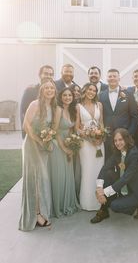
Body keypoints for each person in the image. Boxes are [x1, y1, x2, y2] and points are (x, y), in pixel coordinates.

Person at [19, 79, 61, 231]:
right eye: (46, 88)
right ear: (42, 91)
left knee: (42, 179)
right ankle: (36, 214)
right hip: (32, 145)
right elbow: (26, 125)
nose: (49, 90)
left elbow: (52, 129)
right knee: (35, 179)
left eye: (52, 88)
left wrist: (47, 140)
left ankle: (41, 210)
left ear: (55, 91)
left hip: (43, 147)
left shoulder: (53, 107)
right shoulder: (35, 104)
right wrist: (38, 140)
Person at [90, 128, 138, 224]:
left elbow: (125, 178)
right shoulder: (118, 152)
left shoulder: (134, 154)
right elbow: (105, 168)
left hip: (136, 191)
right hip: (125, 185)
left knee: (115, 206)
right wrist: (99, 188)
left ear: (126, 139)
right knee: (108, 173)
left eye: (120, 139)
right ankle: (104, 211)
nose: (117, 143)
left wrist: (104, 192)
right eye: (115, 140)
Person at [49, 87, 79, 217]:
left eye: (70, 95)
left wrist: (72, 143)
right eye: (65, 95)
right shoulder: (59, 110)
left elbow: (71, 129)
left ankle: (68, 203)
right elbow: (55, 131)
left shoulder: (72, 111)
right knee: (59, 176)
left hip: (68, 144)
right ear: (61, 97)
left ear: (73, 98)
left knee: (68, 175)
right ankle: (59, 206)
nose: (67, 97)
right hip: (58, 145)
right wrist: (64, 148)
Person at [75, 83, 105, 210]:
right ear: (84, 90)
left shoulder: (99, 105)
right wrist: (89, 138)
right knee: (88, 171)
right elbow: (77, 127)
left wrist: (101, 137)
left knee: (99, 170)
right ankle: (87, 203)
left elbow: (102, 123)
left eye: (94, 90)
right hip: (86, 144)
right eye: (89, 89)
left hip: (99, 143)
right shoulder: (78, 106)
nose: (91, 92)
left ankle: (99, 201)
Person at [99, 69, 138, 160]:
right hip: (107, 136)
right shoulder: (101, 95)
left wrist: (129, 133)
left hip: (124, 136)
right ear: (106, 79)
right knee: (109, 162)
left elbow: (134, 116)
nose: (112, 78)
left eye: (114, 76)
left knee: (125, 161)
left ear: (119, 78)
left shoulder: (128, 94)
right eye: (110, 76)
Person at [20, 65, 54, 138]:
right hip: (32, 132)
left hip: (48, 134)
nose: (48, 76)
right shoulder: (30, 90)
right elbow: (24, 112)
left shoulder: (54, 92)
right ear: (40, 75)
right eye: (46, 74)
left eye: (51, 74)